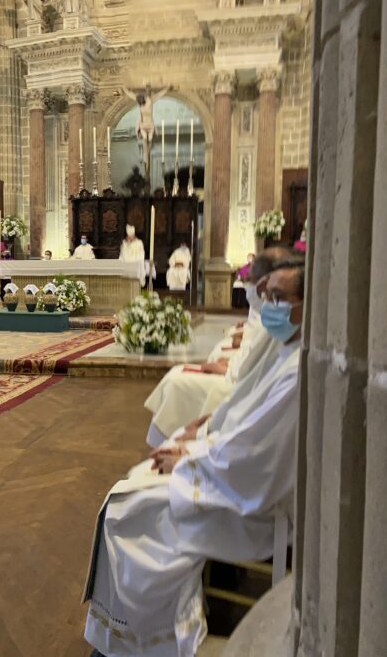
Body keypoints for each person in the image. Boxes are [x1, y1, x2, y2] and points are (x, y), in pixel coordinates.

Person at [83, 263, 305, 657]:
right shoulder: (291, 352)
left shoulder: (297, 368)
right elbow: (245, 419)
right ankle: (127, 634)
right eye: (266, 294)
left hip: (248, 501)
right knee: (129, 494)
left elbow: (254, 454)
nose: (267, 303)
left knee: (127, 510)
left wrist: (188, 459)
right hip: (231, 477)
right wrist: (201, 436)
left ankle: (150, 640)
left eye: (277, 297)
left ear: (304, 308)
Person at [143, 249, 292, 446]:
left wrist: (206, 429)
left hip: (237, 395)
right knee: (177, 376)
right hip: (238, 387)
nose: (254, 290)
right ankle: (166, 445)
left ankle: (167, 445)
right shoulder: (276, 318)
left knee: (176, 382)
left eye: (275, 294)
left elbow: (250, 385)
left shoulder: (281, 324)